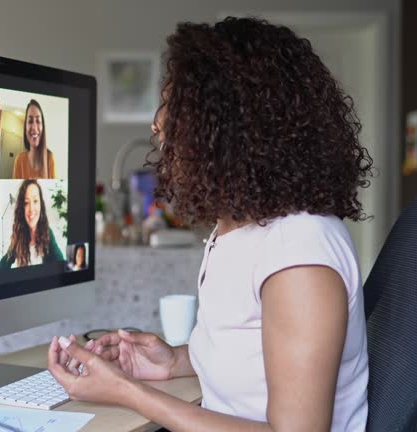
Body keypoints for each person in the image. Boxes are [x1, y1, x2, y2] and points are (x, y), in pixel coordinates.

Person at [48, 17, 373, 432]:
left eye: (173, 106)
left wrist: (126, 391)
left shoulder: (300, 255)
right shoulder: (239, 229)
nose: (158, 122)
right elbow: (251, 355)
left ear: (226, 126)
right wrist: (173, 362)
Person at [0, 180, 64, 268]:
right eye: (26, 203)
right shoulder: (18, 236)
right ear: (22, 208)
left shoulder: (47, 233)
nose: (31, 209)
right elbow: (3, 265)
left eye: (35, 201)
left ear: (41, 204)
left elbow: (61, 264)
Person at [12, 100, 56, 179]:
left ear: (43, 127)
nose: (34, 127)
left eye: (38, 121)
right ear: (25, 127)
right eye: (30, 121)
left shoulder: (50, 158)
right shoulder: (19, 160)